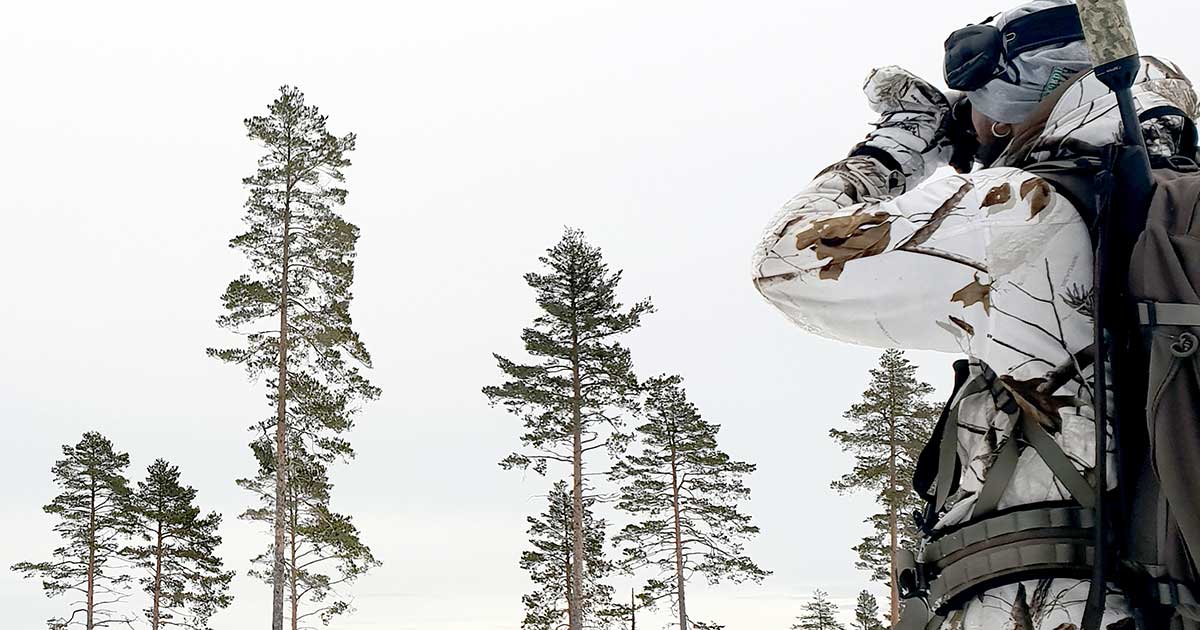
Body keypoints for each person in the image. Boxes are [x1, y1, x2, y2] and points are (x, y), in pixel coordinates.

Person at [751, 1, 1199, 628]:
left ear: (1019, 84)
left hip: (1056, 602)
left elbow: (784, 262)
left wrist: (898, 147)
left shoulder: (1024, 211)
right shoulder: (1172, 213)